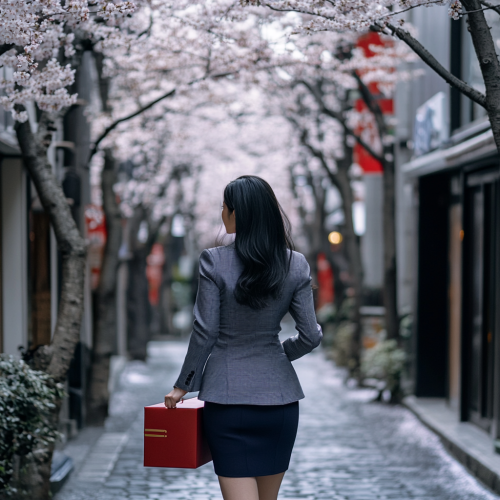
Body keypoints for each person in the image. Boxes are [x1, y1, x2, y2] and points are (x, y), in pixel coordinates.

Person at [164, 175, 322, 500]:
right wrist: (278, 354)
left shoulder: (214, 260)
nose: (222, 213)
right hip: (280, 401)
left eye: (224, 207)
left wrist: (183, 385)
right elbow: (310, 336)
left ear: (237, 213)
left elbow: (205, 331)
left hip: (227, 399)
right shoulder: (296, 264)